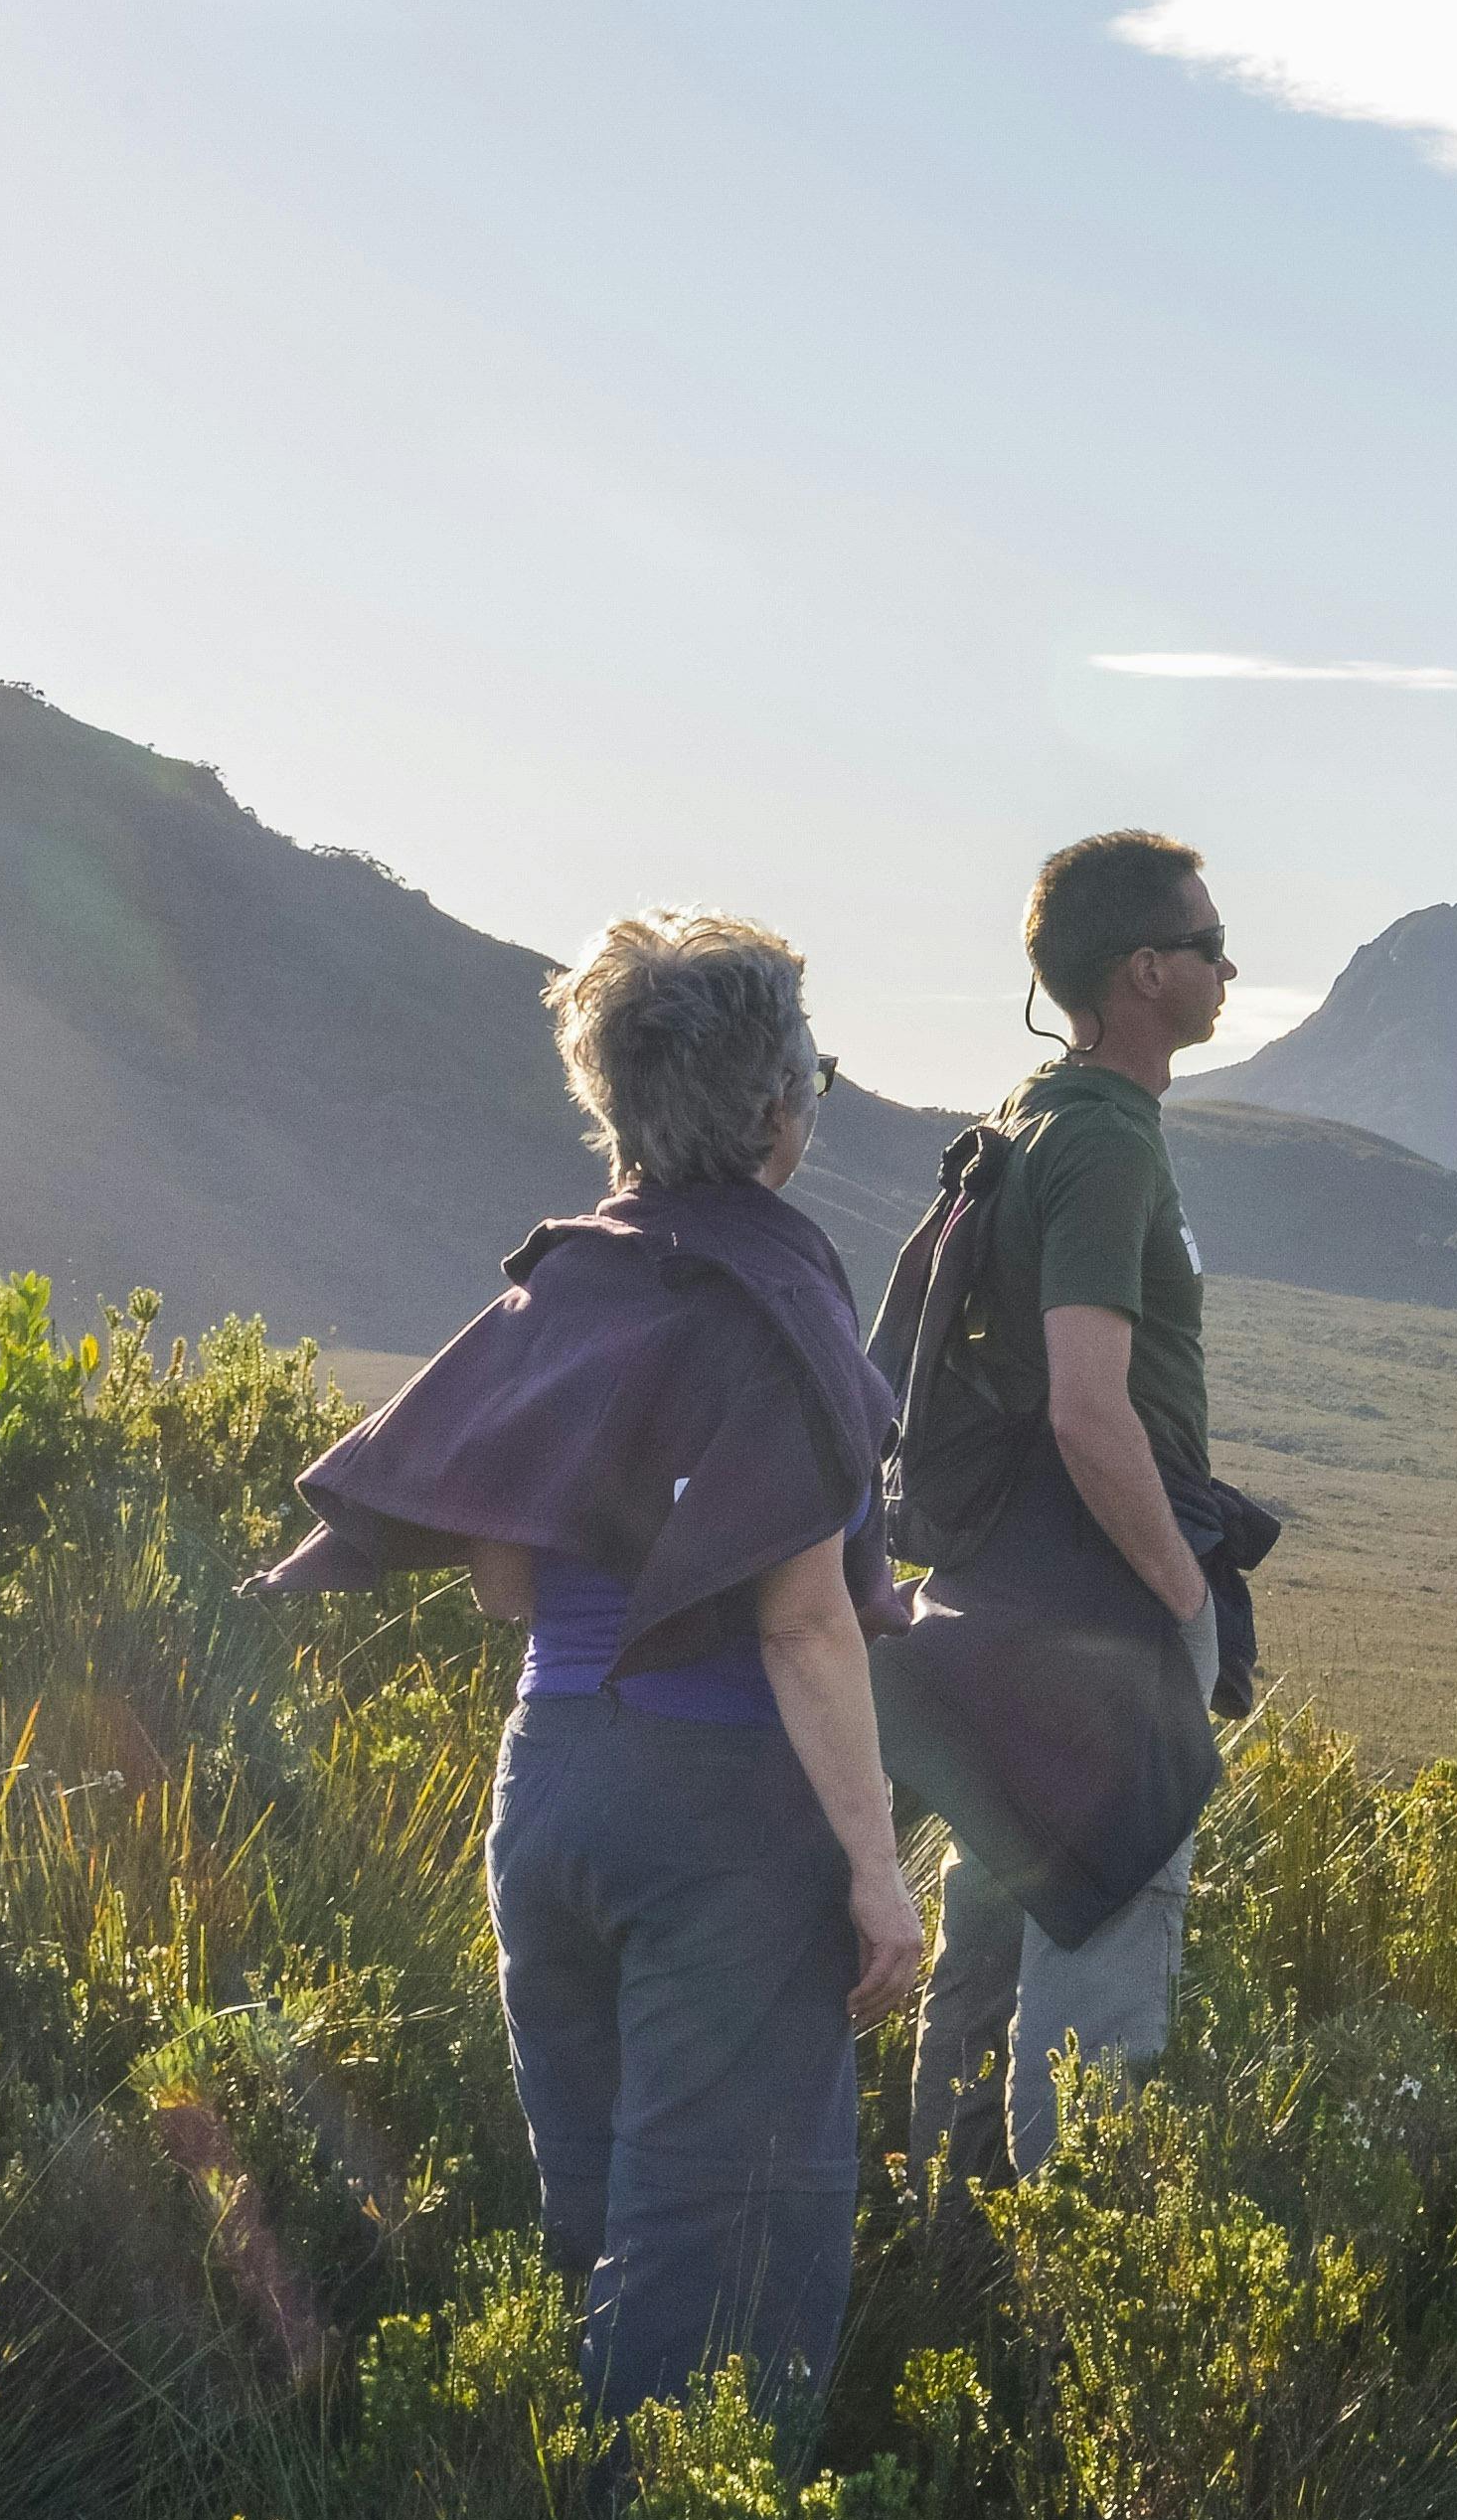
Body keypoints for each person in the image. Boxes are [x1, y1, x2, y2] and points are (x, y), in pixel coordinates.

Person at [256, 915, 916, 2415]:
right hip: (719, 1814)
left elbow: (503, 1575)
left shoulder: (564, 1286)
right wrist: (877, 1877)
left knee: (609, 2236)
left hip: (549, 1791)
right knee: (727, 2268)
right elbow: (804, 1620)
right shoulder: (781, 1291)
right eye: (810, 1070)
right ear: (775, 1112)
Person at [882, 826, 1268, 2186]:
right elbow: (1090, 1407)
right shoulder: (1109, 1144)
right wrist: (1179, 1598)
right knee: (1097, 1993)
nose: (1232, 967)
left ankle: (955, 2277)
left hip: (1000, 1604)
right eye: (1211, 945)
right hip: (1102, 1612)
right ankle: (1073, 2338)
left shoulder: (1031, 1111)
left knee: (983, 1960)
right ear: (1147, 969)